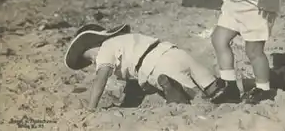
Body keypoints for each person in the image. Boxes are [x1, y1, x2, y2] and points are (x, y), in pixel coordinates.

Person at [64, 24, 226, 110]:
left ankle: (175, 93)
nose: (94, 62)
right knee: (215, 89)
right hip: (173, 51)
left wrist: (91, 107)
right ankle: (232, 86)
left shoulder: (105, 49)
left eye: (91, 58)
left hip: (158, 66)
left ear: (95, 44)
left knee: (195, 98)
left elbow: (101, 78)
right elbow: (132, 85)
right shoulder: (125, 40)